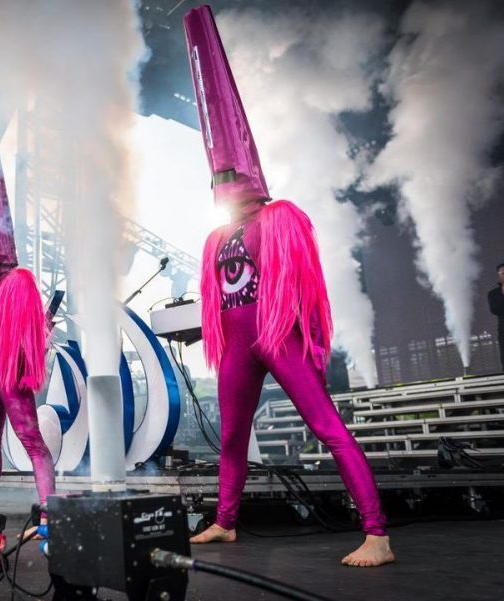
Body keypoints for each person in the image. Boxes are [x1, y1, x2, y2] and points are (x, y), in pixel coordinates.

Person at [182, 6, 393, 567]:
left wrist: (291, 333)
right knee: (230, 437)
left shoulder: (282, 219)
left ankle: (377, 533)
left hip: (278, 337)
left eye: (229, 176)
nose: (222, 184)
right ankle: (225, 521)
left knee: (326, 425)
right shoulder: (216, 236)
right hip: (238, 344)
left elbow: (301, 287)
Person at [0, 125, 54, 517]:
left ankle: (51, 511)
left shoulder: (19, 281)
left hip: (9, 377)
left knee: (31, 441)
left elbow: (29, 335)